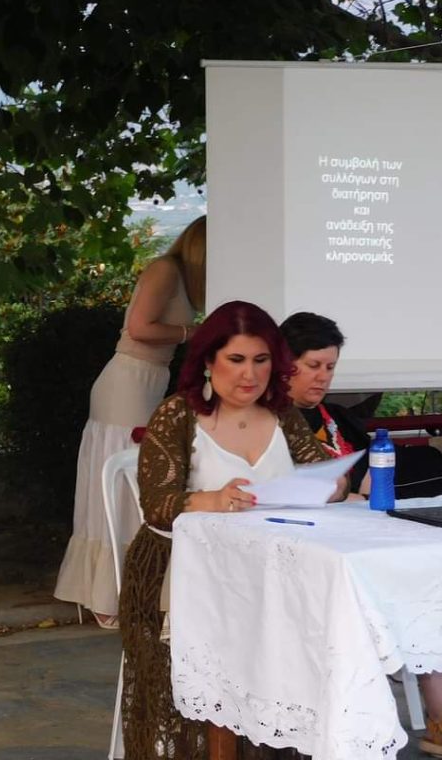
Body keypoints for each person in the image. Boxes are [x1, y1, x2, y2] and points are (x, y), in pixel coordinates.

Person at [118, 300, 346, 759]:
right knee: (202, 699)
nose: (250, 374)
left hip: (271, 576)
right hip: (181, 579)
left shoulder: (282, 413)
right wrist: (213, 500)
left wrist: (334, 485)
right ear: (208, 360)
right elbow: (157, 505)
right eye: (236, 359)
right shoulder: (178, 414)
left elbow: (324, 472)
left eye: (261, 360)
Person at [279, 312, 442, 760]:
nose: (323, 377)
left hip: (361, 533)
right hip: (310, 546)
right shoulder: (267, 420)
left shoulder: (336, 416)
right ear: (286, 363)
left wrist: (356, 491)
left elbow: (374, 475)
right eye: (314, 366)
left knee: (432, 578)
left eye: (330, 367)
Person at [54, 215, 206, 628]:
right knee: (126, 481)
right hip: (128, 382)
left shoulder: (181, 277)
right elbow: (139, 327)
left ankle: (124, 588)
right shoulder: (165, 270)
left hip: (148, 378)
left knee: (135, 480)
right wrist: (192, 333)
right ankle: (110, 594)